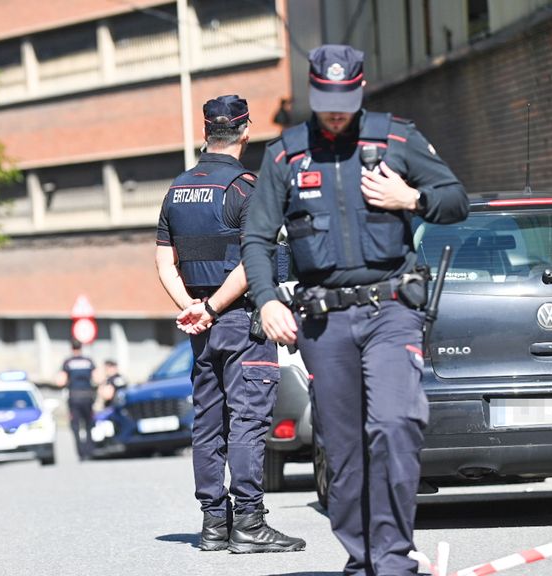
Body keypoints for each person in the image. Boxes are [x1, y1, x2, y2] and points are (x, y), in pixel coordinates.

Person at [241, 45, 469, 575]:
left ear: (362, 88)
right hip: (324, 321)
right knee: (342, 453)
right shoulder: (286, 155)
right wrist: (268, 298)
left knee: (394, 423)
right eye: (325, 99)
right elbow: (255, 238)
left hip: (392, 308)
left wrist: (410, 199)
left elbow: (456, 199)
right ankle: (364, 558)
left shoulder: (397, 139)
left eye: (344, 99)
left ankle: (391, 561)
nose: (335, 110)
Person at [156, 94, 304, 554]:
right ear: (245, 131)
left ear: (206, 132)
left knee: (207, 423)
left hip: (201, 329)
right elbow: (251, 260)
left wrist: (191, 308)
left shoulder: (177, 189)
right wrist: (215, 308)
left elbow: (164, 261)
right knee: (248, 421)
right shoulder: (247, 187)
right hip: (238, 321)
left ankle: (213, 525)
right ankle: (250, 524)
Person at [56, 340, 97, 461]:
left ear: (71, 348)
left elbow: (61, 381)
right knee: (89, 424)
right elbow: (97, 378)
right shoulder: (88, 361)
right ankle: (90, 450)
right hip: (88, 396)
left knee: (75, 427)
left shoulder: (68, 362)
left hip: (74, 397)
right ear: (81, 348)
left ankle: (81, 453)